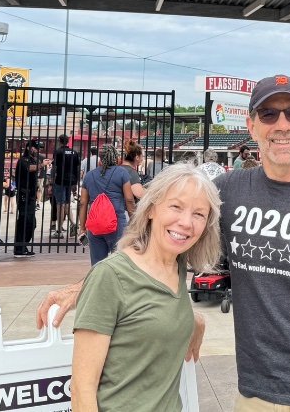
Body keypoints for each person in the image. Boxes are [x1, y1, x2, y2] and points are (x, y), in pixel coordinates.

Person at [40, 73, 290, 410]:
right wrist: (86, 285)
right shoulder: (228, 192)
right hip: (256, 396)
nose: (282, 124)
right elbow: (163, 244)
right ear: (252, 126)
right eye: (269, 114)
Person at [71, 164, 222, 412]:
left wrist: (194, 320)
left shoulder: (176, 264)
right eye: (176, 207)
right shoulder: (110, 276)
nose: (186, 222)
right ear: (151, 209)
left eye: (199, 214)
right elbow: (81, 390)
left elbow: (151, 311)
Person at [78, 144, 136, 265]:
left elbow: (83, 203)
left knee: (97, 263)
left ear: (100, 159)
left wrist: (82, 227)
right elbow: (129, 199)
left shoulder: (89, 176)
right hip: (116, 223)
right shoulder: (122, 173)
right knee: (119, 261)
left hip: (95, 224)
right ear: (116, 158)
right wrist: (135, 222)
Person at [13, 140, 43, 256]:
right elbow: (29, 168)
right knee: (25, 221)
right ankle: (19, 248)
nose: (36, 150)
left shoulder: (32, 160)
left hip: (31, 195)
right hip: (24, 195)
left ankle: (22, 246)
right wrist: (42, 165)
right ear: (29, 148)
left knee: (31, 222)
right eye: (35, 148)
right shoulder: (23, 160)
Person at [52, 133, 82, 239]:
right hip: (71, 181)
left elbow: (55, 167)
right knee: (67, 204)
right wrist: (76, 182)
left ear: (59, 141)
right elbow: (77, 168)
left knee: (60, 205)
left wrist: (51, 180)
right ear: (68, 141)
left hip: (60, 180)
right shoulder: (74, 152)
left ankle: (59, 231)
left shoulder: (58, 152)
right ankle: (73, 224)